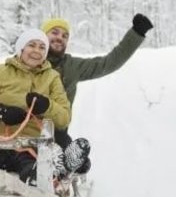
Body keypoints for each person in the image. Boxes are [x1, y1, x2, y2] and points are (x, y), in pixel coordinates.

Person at [40, 14, 153, 171]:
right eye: (55, 32)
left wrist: (136, 33)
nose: (60, 38)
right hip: (22, 127)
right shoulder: (28, 60)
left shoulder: (72, 66)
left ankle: (63, 170)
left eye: (65, 35)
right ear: (42, 35)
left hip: (57, 132)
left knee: (82, 165)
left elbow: (108, 63)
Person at [0, 29, 90, 184]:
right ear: (21, 48)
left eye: (42, 47)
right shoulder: (0, 72)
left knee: (32, 169)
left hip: (32, 145)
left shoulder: (51, 77)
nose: (37, 50)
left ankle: (53, 173)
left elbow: (64, 119)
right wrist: (0, 112)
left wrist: (47, 106)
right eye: (32, 45)